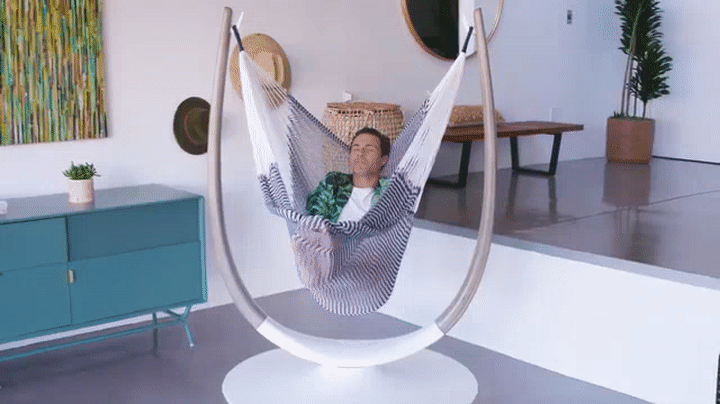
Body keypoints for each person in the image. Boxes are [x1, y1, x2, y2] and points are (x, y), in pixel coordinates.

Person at [306, 127, 391, 222]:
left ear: (383, 160)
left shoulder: (389, 191)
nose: (360, 153)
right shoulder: (334, 183)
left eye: (369, 150)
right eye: (356, 149)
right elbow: (314, 217)